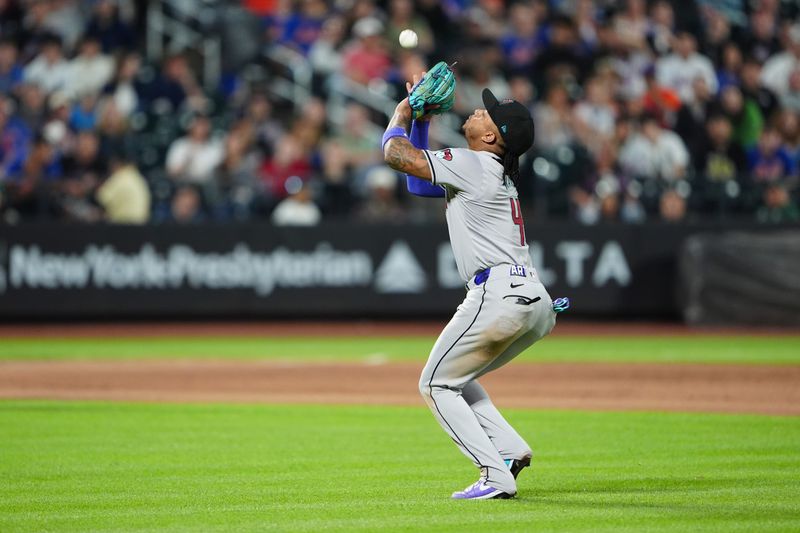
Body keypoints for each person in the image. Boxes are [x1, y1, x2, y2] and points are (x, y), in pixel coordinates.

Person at [382, 77, 563, 500]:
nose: (479, 110)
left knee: (435, 385)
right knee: (457, 378)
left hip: (498, 293)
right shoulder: (489, 171)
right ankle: (509, 451)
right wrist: (423, 123)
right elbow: (417, 183)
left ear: (490, 137)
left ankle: (494, 475)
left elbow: (395, 155)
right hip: (535, 301)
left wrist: (403, 114)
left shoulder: (475, 164)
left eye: (488, 113)